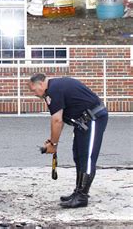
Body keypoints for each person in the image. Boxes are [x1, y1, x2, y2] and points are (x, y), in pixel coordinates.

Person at [28, 73, 108, 208]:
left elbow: (57, 120)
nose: (34, 93)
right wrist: (52, 142)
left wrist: (53, 145)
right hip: (82, 122)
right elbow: (60, 119)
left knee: (87, 158)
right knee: (78, 156)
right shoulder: (52, 90)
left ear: (41, 83)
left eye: (34, 90)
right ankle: (78, 192)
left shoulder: (54, 90)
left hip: (94, 118)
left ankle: (82, 196)